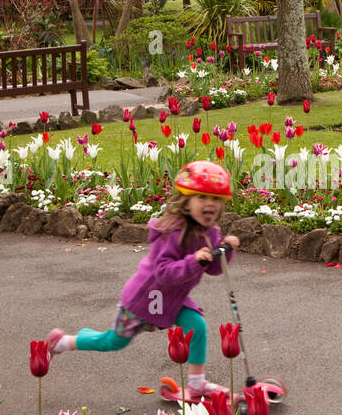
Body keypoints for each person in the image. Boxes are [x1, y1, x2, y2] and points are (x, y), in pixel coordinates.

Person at [46, 160, 240, 398]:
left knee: (197, 326)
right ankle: (63, 342)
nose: (210, 203)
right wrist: (194, 261)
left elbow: (213, 270)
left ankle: (197, 383)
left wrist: (225, 252)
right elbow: (163, 272)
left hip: (172, 300)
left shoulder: (211, 233)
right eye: (202, 197)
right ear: (186, 202)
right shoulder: (171, 231)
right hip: (144, 298)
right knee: (113, 342)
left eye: (216, 199)